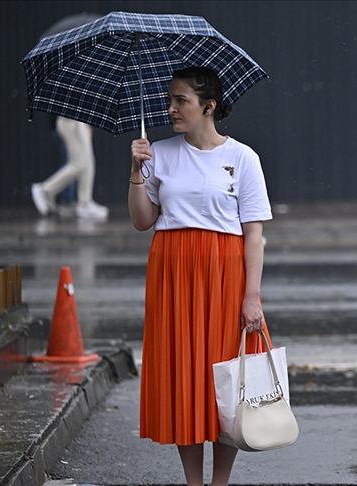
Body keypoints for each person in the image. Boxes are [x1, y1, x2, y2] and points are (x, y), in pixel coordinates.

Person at [128, 66, 273, 486]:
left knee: (227, 375)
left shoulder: (242, 158)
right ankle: (193, 482)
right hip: (172, 272)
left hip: (225, 272)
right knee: (183, 374)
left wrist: (252, 295)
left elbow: (254, 235)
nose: (170, 108)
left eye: (181, 101)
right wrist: (137, 170)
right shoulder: (159, 152)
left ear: (208, 106)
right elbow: (142, 221)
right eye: (169, 100)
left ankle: (220, 482)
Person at [31, 116, 109, 219]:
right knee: (79, 163)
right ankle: (45, 189)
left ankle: (84, 202)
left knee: (87, 163)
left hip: (77, 119)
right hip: (72, 119)